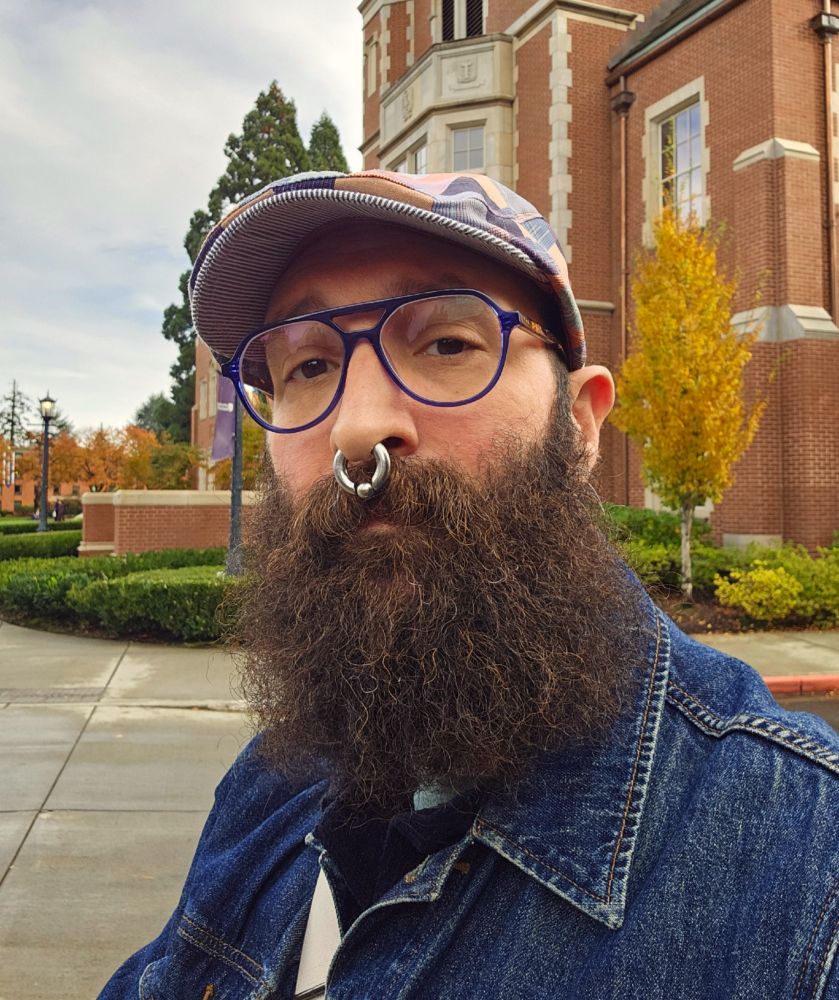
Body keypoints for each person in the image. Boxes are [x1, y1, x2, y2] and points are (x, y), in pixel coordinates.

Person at [99, 172, 838, 1000]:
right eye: (306, 366)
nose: (355, 429)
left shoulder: (804, 868)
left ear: (580, 423)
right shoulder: (273, 781)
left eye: (447, 345)